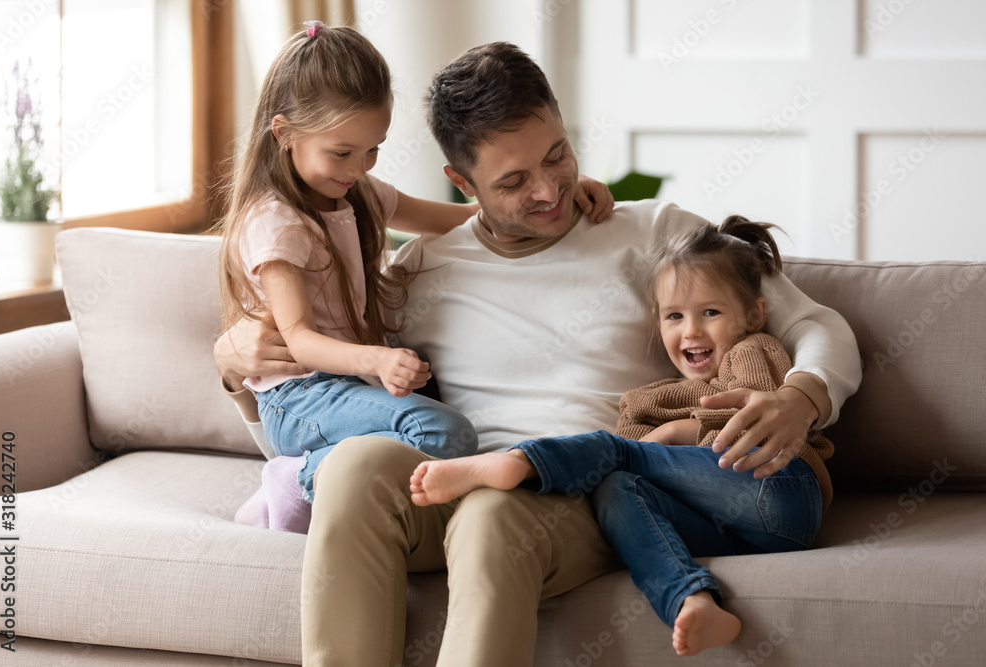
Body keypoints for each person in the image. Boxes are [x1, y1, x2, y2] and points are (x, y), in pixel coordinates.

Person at [214, 41, 862, 666]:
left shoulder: (654, 235)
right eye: (515, 179)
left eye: (558, 156)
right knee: (355, 464)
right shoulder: (418, 273)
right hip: (446, 485)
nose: (550, 191)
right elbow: (324, 420)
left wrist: (799, 397)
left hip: (573, 496)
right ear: (460, 180)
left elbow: (816, 322)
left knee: (494, 511)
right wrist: (240, 371)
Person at [214, 23, 613, 526]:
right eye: (342, 152)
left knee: (438, 390)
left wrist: (553, 194)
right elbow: (298, 341)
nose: (359, 168)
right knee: (448, 435)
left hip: (345, 383)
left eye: (373, 149)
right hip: (302, 394)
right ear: (284, 132)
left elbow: (465, 218)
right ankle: (297, 480)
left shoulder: (354, 191)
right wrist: (377, 360)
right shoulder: (276, 224)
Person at [409, 215, 835, 656]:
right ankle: (693, 600)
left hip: (779, 486)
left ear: (753, 315)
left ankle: (522, 463)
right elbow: (635, 460)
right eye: (675, 316)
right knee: (615, 486)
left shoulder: (754, 348)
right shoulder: (645, 398)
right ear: (657, 322)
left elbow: (759, 424)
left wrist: (675, 433)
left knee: (613, 454)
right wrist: (648, 447)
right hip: (734, 527)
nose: (691, 330)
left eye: (710, 312)